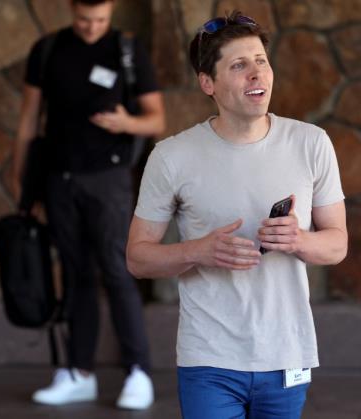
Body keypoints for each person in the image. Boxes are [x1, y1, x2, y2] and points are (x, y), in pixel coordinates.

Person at [126, 11, 347, 418]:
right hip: (209, 358)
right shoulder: (171, 156)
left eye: (261, 61)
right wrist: (197, 251)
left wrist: (299, 240)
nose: (256, 74)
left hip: (286, 355)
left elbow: (337, 245)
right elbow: (138, 258)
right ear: (207, 83)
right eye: (239, 65)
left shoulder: (311, 143)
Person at [10, 0, 166, 410]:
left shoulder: (127, 51)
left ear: (111, 10)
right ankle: (79, 372)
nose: (92, 27)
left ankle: (138, 371)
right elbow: (29, 119)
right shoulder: (47, 50)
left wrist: (125, 123)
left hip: (109, 179)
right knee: (75, 273)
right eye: (83, 19)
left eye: (100, 19)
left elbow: (156, 119)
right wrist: (20, 176)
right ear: (70, 9)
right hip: (59, 178)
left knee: (117, 269)